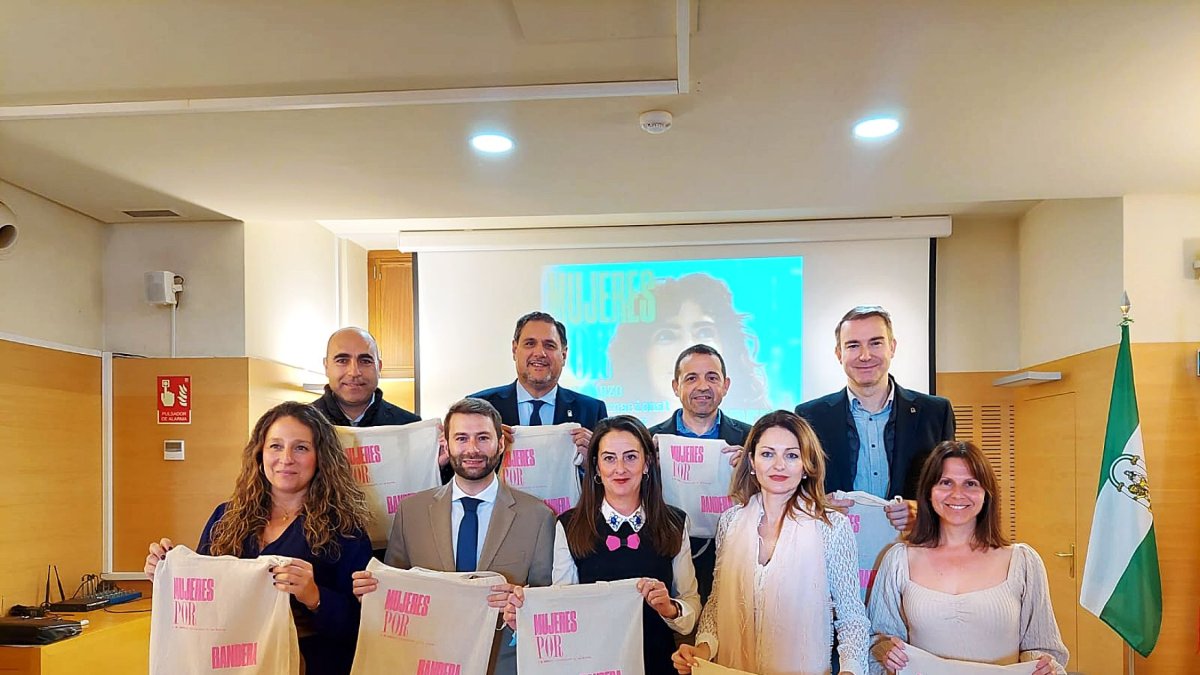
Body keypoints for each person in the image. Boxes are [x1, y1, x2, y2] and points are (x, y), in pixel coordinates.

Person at [144, 401, 373, 675]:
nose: (286, 458)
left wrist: (314, 596)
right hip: (229, 665)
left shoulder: (346, 529)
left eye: (301, 447)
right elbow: (203, 600)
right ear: (260, 453)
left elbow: (361, 628)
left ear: (320, 457)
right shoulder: (225, 517)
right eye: (275, 446)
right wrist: (167, 573)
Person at [350, 397, 555, 675]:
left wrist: (523, 601)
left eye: (483, 438)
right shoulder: (411, 512)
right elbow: (396, 588)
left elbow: (547, 602)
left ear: (501, 443)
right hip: (423, 661)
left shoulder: (538, 516)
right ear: (446, 444)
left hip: (504, 664)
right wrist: (375, 594)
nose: (472, 449)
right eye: (462, 438)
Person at [672, 410, 869, 675]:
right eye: (767, 454)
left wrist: (850, 671)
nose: (779, 465)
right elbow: (717, 604)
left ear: (806, 465)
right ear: (751, 462)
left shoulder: (831, 527)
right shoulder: (730, 521)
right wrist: (702, 651)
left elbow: (851, 618)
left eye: (791, 455)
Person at [504, 415, 701, 675]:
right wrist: (526, 616)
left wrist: (670, 609)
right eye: (609, 458)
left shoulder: (675, 523)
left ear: (647, 463)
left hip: (657, 662)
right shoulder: (570, 525)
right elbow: (564, 604)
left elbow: (690, 603)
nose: (620, 468)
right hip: (591, 665)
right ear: (596, 467)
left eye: (631, 457)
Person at [869, 441, 1068, 674]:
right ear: (928, 492)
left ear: (986, 494)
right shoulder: (897, 560)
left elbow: (1045, 648)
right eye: (946, 482)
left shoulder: (1023, 562)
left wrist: (1043, 666)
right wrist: (886, 654)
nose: (957, 494)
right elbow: (878, 640)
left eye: (970, 484)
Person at [795, 306, 955, 532]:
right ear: (839, 354)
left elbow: (951, 486)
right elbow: (796, 490)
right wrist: (816, 506)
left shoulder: (935, 413)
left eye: (875, 343)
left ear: (892, 347)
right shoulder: (809, 417)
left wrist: (925, 511)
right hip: (835, 548)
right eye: (853, 345)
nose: (865, 355)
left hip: (914, 549)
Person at [648, 344, 749, 603]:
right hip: (665, 560)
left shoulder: (752, 440)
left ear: (725, 385)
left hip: (734, 561)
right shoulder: (649, 440)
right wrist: (648, 470)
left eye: (712, 378)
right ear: (675, 386)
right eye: (691, 378)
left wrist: (752, 472)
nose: (703, 386)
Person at [606, 274, 771, 421]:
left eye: (705, 332)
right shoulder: (646, 443)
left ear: (726, 385)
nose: (688, 346)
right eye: (667, 336)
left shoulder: (749, 439)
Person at [471, 311, 607, 459]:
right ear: (514, 349)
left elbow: (605, 477)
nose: (540, 353)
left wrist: (593, 461)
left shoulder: (592, 411)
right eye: (530, 343)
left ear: (564, 355)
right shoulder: (479, 407)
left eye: (549, 345)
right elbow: (457, 472)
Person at [312, 326, 421, 428]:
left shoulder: (408, 426)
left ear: (379, 367)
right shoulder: (302, 424)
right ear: (326, 367)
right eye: (342, 361)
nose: (354, 372)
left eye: (365, 361)